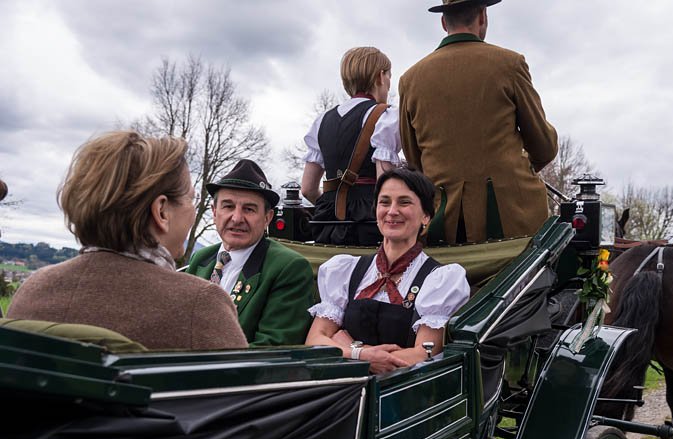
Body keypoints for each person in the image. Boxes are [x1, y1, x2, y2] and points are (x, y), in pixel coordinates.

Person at [7, 131, 248, 350]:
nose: (194, 211)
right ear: (162, 212)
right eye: (190, 200)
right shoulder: (201, 305)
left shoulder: (32, 291)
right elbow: (249, 394)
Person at [399, 0, 558, 244]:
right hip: (513, 221)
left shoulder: (409, 80)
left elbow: (413, 158)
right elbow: (544, 146)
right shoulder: (510, 64)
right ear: (482, 16)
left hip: (442, 222)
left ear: (443, 22)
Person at [306, 168, 470, 374]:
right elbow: (314, 341)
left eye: (404, 202)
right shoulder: (347, 271)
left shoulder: (438, 279)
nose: (392, 211)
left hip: (401, 393)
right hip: (344, 390)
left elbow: (423, 355)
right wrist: (361, 355)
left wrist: (346, 347)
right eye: (385, 202)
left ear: (426, 216)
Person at [185, 159, 314, 346]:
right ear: (214, 212)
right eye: (228, 206)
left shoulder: (289, 268)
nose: (237, 218)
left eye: (249, 209)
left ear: (267, 218)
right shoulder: (201, 259)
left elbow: (273, 349)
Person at [300, 46, 401, 246]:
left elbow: (308, 189)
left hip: (327, 222)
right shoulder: (385, 117)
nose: (389, 84)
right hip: (369, 222)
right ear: (380, 77)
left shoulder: (322, 120)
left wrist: (332, 205)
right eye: (389, 76)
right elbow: (385, 186)